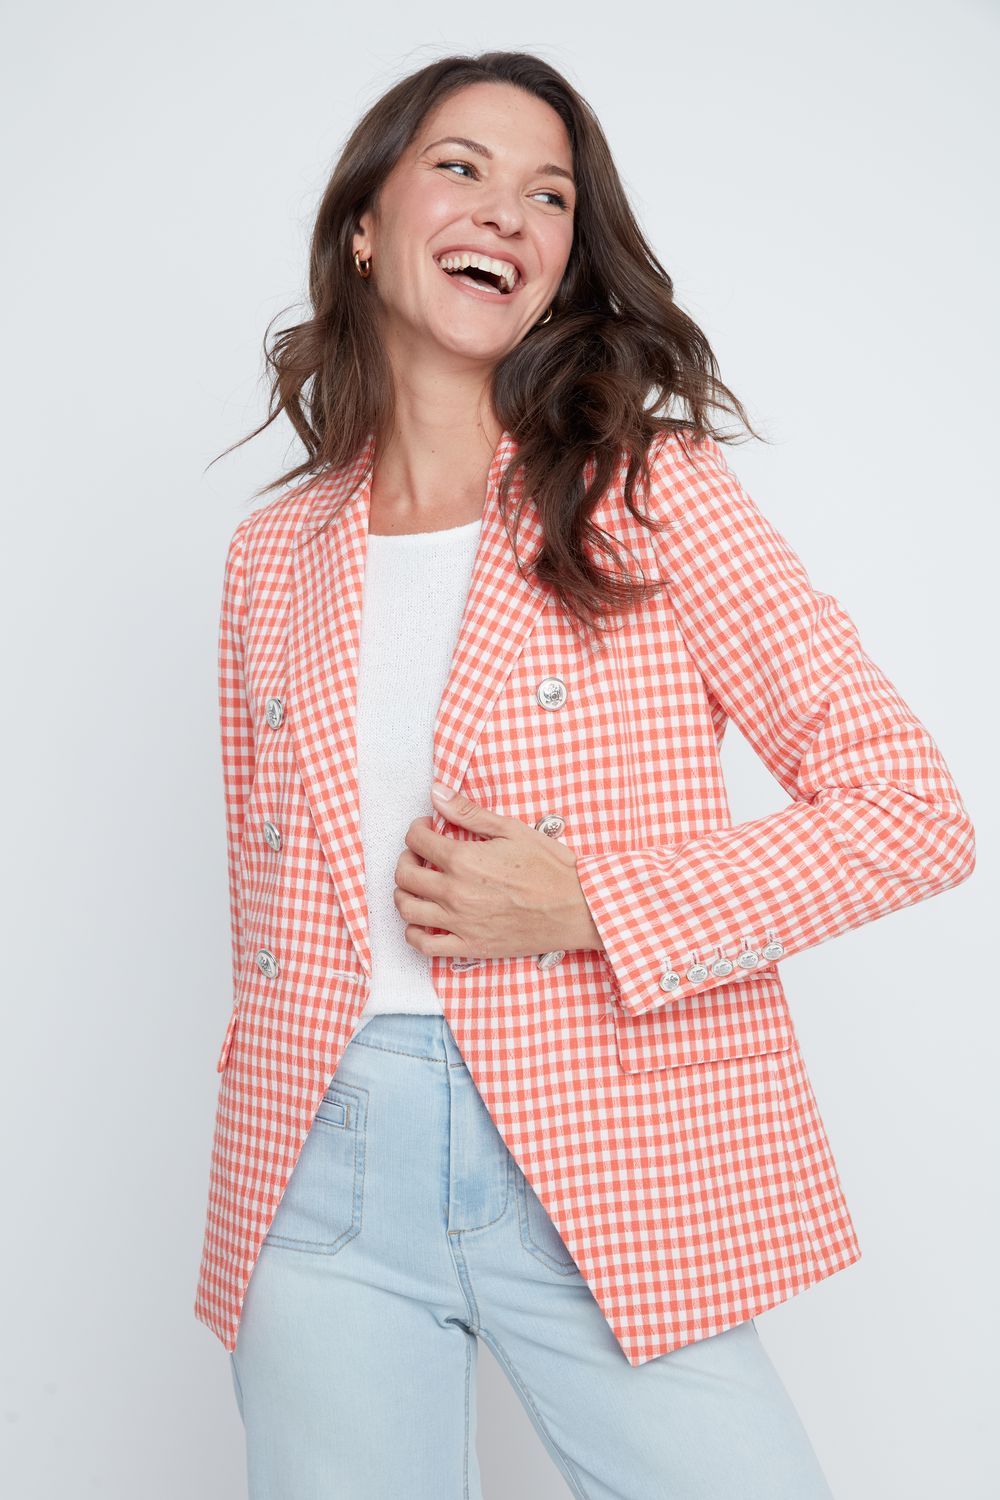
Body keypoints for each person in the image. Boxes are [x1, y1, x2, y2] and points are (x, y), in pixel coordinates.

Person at [193, 49, 976, 1500]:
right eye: (460, 168)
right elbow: (268, 898)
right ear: (364, 225)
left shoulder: (650, 493)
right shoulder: (272, 553)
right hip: (323, 1159)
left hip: (606, 1143)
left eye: (548, 194)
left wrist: (590, 903)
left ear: (561, 265)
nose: (507, 211)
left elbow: (912, 814)